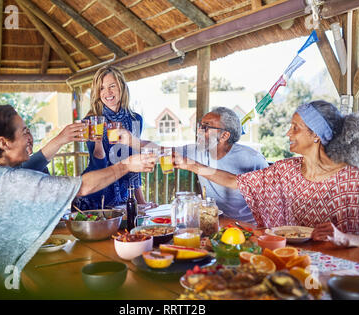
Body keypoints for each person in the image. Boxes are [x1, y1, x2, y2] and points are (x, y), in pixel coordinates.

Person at [0, 105, 155, 288]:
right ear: (4, 143)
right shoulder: (14, 181)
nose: (29, 137)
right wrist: (126, 165)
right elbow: (83, 187)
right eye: (24, 132)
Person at [174, 100, 359, 248]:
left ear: (316, 135)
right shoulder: (286, 170)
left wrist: (346, 239)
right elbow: (233, 181)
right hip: (296, 258)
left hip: (345, 269)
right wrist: (192, 165)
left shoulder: (353, 179)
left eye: (295, 128)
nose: (287, 133)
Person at [118, 107, 268, 223]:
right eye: (199, 126)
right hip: (212, 222)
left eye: (206, 127)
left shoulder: (253, 159)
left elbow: (269, 198)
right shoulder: (196, 150)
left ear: (224, 135)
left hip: (246, 227)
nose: (199, 131)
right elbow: (162, 150)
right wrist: (131, 140)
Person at [72, 66, 150, 211]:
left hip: (125, 198)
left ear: (122, 87)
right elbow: (98, 164)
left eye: (112, 86)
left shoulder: (135, 120)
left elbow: (134, 165)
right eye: (101, 88)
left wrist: (141, 202)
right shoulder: (91, 121)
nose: (107, 92)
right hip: (94, 195)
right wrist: (98, 140)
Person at [19, 122, 87, 174]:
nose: (28, 137)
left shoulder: (39, 166)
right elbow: (28, 167)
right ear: (8, 143)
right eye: (22, 134)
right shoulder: (15, 172)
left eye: (28, 132)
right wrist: (60, 139)